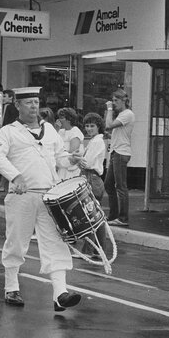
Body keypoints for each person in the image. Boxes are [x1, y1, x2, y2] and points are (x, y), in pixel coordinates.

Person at [0, 88, 82, 312]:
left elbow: (60, 157)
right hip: (22, 195)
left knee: (56, 242)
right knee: (16, 241)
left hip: (49, 196)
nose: (33, 106)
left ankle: (60, 293)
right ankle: (11, 287)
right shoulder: (9, 132)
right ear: (17, 106)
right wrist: (15, 176)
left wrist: (72, 160)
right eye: (28, 102)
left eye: (36, 102)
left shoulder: (49, 130)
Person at [70, 111, 108, 259]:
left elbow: (88, 162)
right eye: (87, 126)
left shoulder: (97, 141)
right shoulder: (95, 141)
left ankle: (88, 250)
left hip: (92, 177)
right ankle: (99, 250)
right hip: (91, 177)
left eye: (92, 126)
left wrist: (79, 160)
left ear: (98, 126)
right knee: (96, 216)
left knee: (90, 216)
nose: (89, 129)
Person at [103, 88, 134, 227]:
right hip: (116, 151)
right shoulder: (122, 115)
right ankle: (114, 215)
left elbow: (109, 125)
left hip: (121, 153)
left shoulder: (127, 114)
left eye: (116, 100)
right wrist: (111, 135)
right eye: (113, 101)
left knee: (121, 186)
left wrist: (109, 109)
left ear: (123, 100)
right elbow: (115, 130)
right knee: (108, 184)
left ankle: (123, 218)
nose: (114, 103)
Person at [56, 107, 84, 181]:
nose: (59, 120)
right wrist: (56, 129)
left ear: (69, 119)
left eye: (62, 118)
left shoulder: (75, 131)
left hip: (71, 169)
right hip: (61, 168)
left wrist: (61, 153)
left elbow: (73, 151)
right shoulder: (60, 131)